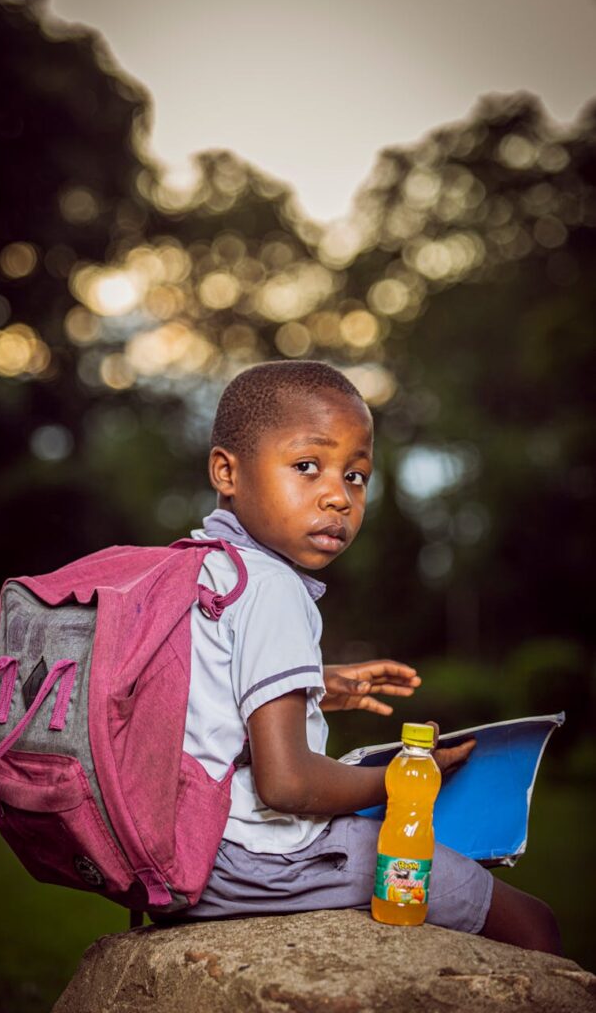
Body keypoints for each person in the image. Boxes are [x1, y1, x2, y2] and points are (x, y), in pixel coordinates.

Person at [164, 359, 561, 954]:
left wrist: (316, 683)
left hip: (181, 847)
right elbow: (287, 784)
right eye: (307, 466)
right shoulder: (272, 586)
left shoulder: (200, 566)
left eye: (356, 475)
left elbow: (202, 693)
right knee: (532, 924)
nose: (337, 496)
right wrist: (407, 780)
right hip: (255, 859)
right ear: (227, 470)